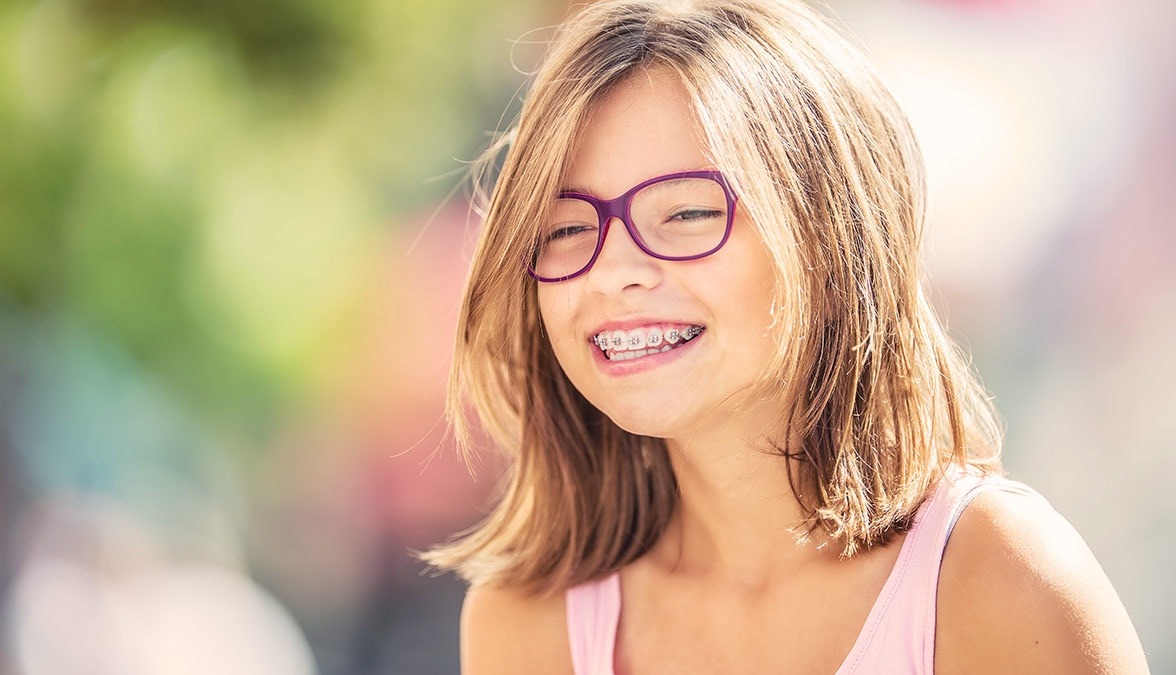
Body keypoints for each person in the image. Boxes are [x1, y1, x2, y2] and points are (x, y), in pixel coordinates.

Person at [419, 0, 1150, 672]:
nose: (612, 272)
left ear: (829, 244)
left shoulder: (1000, 580)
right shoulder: (525, 621)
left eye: (688, 215)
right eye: (568, 228)